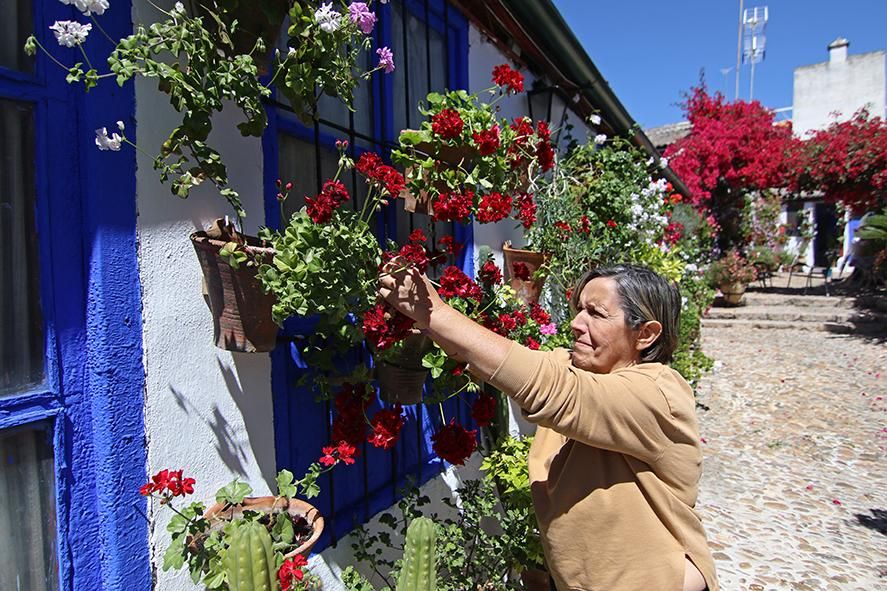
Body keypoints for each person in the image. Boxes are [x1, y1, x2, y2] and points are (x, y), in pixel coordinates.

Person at [378, 262, 718, 591]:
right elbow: (506, 364)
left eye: (596, 314)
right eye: (580, 309)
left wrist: (436, 312)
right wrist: (422, 321)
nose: (576, 323)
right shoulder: (581, 370)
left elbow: (548, 387)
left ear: (645, 334)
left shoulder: (656, 393)